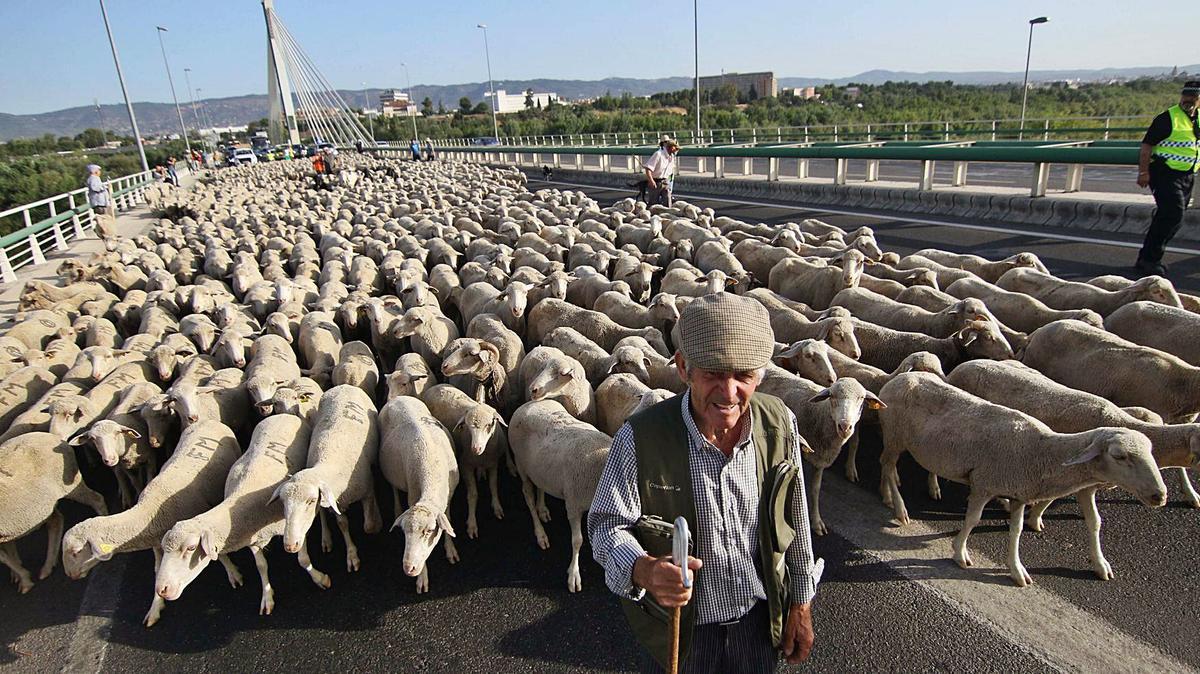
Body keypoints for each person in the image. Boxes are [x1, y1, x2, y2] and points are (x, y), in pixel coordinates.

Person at [589, 292, 821, 674]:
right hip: (687, 630)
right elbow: (605, 525)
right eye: (713, 373)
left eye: (743, 375)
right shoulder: (641, 438)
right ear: (684, 368)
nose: (729, 393)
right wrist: (643, 568)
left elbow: (795, 519)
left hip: (758, 620)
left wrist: (801, 604)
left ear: (760, 375)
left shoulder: (778, 424)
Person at [1135, 81, 1200, 276]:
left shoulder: (1197, 118)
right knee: (1173, 214)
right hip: (1164, 173)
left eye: (1193, 96)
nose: (1188, 99)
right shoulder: (1168, 118)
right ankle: (1150, 259)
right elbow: (1147, 146)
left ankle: (1147, 257)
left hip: (1187, 175)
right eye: (1185, 95)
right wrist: (1143, 172)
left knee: (1172, 218)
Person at [85, 164, 117, 249]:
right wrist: (105, 186)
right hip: (98, 202)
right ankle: (103, 234)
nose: (100, 172)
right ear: (95, 171)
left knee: (105, 219)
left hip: (102, 201)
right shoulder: (92, 179)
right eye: (99, 170)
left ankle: (106, 233)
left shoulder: (96, 178)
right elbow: (95, 188)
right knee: (103, 220)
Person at [642, 136, 680, 207]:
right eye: (675, 148)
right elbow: (648, 169)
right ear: (670, 147)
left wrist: (669, 182)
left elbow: (670, 171)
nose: (676, 150)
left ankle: (667, 216)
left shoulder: (671, 155)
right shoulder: (658, 154)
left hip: (665, 181)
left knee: (668, 202)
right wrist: (651, 181)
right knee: (654, 205)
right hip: (656, 182)